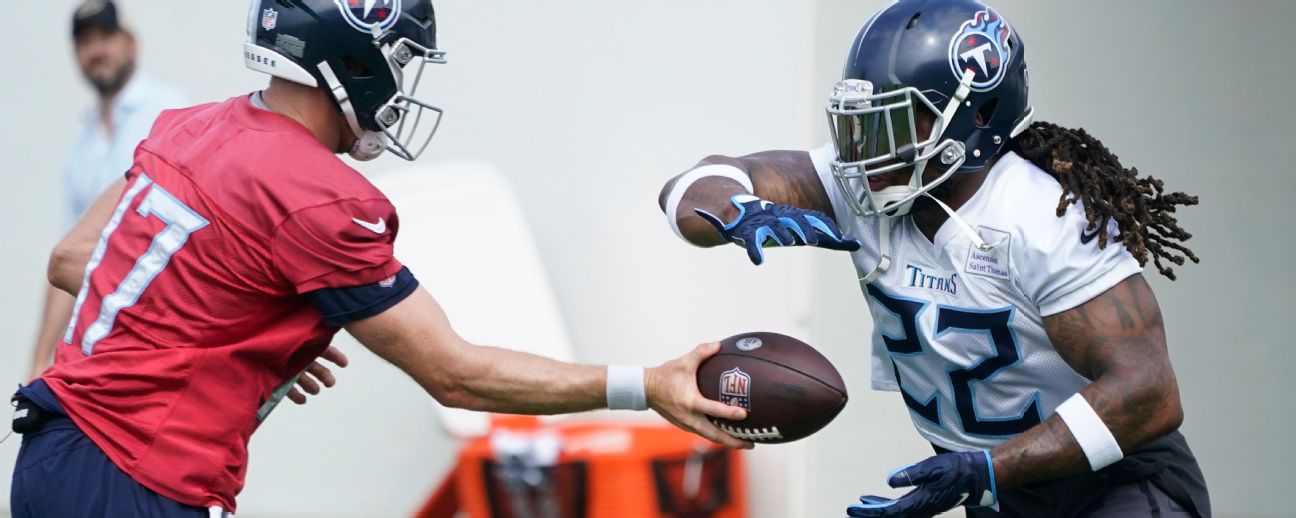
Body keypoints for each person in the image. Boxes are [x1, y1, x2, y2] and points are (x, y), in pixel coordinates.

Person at [9, 1, 750, 516]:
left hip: (49, 456)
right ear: (353, 59)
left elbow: (75, 256)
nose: (402, 81)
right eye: (400, 60)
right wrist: (646, 386)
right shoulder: (315, 194)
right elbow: (454, 374)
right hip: (138, 478)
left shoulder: (188, 124)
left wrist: (239, 320)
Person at [658, 1, 1210, 516]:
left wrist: (988, 468)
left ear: (975, 119)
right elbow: (692, 186)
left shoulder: (1044, 219)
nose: (865, 148)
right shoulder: (866, 184)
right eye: (860, 121)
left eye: (891, 122)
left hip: (1114, 485)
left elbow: (1148, 393)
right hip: (998, 492)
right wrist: (738, 212)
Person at [26, 0, 192, 382]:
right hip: (101, 339)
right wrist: (40, 362)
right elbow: (67, 255)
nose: (97, 50)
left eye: (106, 37)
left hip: (162, 326)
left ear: (131, 43)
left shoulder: (167, 111)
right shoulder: (82, 147)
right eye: (85, 42)